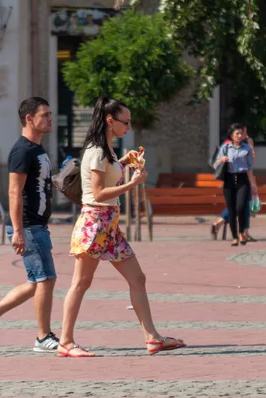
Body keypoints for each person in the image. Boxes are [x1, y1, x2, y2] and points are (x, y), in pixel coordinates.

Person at [58, 96, 185, 357]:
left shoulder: (109, 150)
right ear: (110, 121)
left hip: (110, 226)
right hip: (95, 223)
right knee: (81, 282)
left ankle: (153, 338)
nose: (128, 126)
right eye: (125, 121)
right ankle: (65, 342)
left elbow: (109, 176)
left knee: (138, 278)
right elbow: (98, 192)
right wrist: (132, 184)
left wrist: (125, 162)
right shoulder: (96, 151)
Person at [0, 97, 59, 352]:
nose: (50, 119)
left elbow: (38, 184)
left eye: (51, 114)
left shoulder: (38, 149)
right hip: (29, 226)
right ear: (29, 119)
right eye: (45, 115)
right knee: (45, 279)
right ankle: (43, 337)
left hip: (37, 225)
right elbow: (13, 192)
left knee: (36, 282)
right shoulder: (22, 150)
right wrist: (18, 231)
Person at [214, 123, 258, 246]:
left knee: (241, 207)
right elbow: (215, 164)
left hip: (243, 179)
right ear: (232, 135)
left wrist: (252, 184)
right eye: (236, 134)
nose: (239, 136)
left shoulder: (247, 148)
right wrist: (221, 160)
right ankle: (234, 237)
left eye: (241, 133)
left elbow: (250, 167)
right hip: (229, 179)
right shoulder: (226, 147)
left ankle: (241, 233)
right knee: (232, 209)